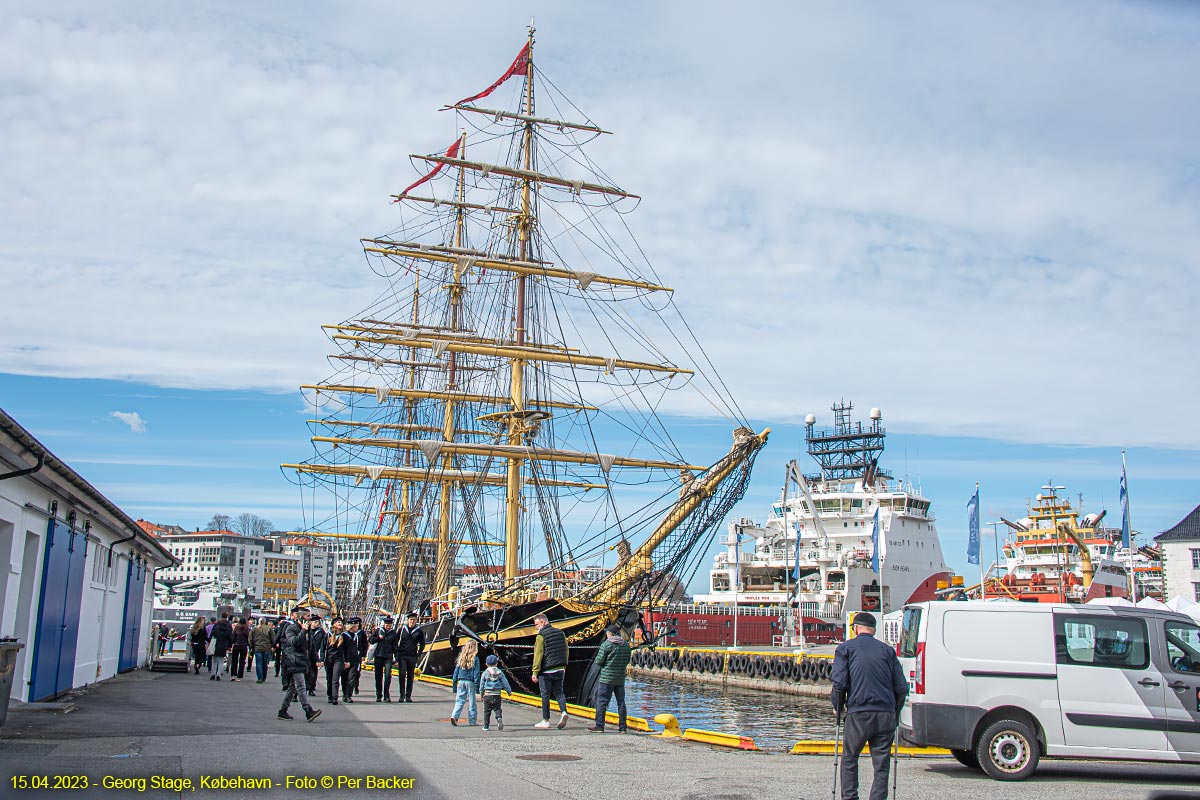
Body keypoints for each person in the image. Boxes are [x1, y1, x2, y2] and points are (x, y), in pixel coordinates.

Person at [830, 611, 909, 800]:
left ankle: (850, 798)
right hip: (885, 715)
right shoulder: (888, 651)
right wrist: (894, 711)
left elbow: (840, 683)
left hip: (859, 713)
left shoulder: (845, 648)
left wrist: (838, 707)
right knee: (881, 764)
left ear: (856, 628)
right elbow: (901, 687)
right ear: (874, 630)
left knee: (850, 758)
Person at [278, 612, 321, 723]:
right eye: (307, 617)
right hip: (294, 660)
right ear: (301, 619)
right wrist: (303, 631)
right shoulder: (291, 628)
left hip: (303, 661)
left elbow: (312, 647)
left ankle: (283, 710)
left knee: (293, 687)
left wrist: (316, 660)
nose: (310, 619)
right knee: (301, 686)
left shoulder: (309, 631)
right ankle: (308, 710)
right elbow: (294, 642)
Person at [588, 624, 631, 733]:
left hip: (606, 679)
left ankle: (600, 726)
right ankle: (623, 727)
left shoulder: (606, 645)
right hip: (620, 678)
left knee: (602, 702)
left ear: (610, 634)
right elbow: (627, 660)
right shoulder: (625, 645)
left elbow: (599, 661)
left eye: (607, 633)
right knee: (621, 703)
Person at [531, 613, 569, 729]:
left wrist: (535, 672)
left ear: (543, 622)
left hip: (546, 670)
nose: (536, 627)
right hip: (560, 668)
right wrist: (564, 666)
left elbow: (538, 654)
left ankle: (546, 720)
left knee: (545, 695)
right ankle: (564, 712)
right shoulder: (560, 632)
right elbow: (566, 650)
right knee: (559, 692)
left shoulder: (541, 635)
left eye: (537, 624)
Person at [395, 612, 425, 703]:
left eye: (414, 620)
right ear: (408, 620)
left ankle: (408, 695)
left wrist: (419, 653)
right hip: (402, 655)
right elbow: (396, 642)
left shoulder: (418, 631)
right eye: (411, 620)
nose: (412, 621)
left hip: (412, 656)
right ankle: (402, 695)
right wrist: (396, 655)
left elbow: (422, 643)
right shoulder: (402, 630)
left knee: (410, 676)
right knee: (402, 674)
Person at [449, 641, 480, 727]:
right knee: (472, 702)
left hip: (461, 681)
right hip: (470, 682)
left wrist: (454, 685)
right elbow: (476, 674)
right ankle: (472, 721)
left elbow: (455, 673)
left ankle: (454, 716)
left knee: (459, 701)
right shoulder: (475, 659)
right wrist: (478, 688)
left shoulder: (461, 658)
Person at [478, 654, 512, 732]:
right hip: (497, 694)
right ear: (497, 663)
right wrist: (509, 691)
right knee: (497, 708)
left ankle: (486, 726)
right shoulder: (500, 672)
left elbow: (482, 684)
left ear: (486, 664)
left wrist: (481, 693)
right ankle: (499, 717)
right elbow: (505, 682)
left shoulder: (485, 673)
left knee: (487, 711)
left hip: (487, 695)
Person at [369, 617, 399, 702]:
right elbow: (371, 640)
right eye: (386, 625)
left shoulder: (393, 633)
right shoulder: (378, 631)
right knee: (378, 676)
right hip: (378, 656)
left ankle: (386, 695)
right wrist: (378, 638)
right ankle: (379, 694)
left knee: (388, 676)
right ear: (384, 624)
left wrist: (397, 658)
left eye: (389, 625)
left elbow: (395, 646)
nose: (388, 627)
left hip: (388, 657)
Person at [324, 620, 349, 705]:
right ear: (334, 624)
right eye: (338, 622)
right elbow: (322, 648)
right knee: (329, 678)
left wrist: (347, 661)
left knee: (335, 678)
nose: (340, 624)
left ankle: (335, 697)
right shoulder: (328, 635)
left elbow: (346, 650)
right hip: (329, 658)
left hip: (339, 660)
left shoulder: (344, 636)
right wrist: (320, 660)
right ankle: (330, 695)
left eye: (341, 622)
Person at [305, 614, 327, 695]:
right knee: (306, 671)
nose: (317, 623)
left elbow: (323, 645)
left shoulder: (321, 632)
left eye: (318, 622)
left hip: (316, 654)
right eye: (315, 622)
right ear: (310, 622)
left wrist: (321, 658)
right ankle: (305, 686)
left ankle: (311, 688)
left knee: (314, 672)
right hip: (307, 653)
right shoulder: (306, 631)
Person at [347, 617, 368, 697]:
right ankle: (348, 691)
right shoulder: (347, 634)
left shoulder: (361, 633)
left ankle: (355, 686)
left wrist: (363, 655)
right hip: (349, 656)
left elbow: (364, 644)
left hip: (358, 655)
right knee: (349, 675)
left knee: (356, 673)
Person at [208, 614, 233, 681]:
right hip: (223, 645)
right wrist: (230, 646)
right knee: (221, 661)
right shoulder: (227, 629)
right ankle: (218, 674)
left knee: (214, 660)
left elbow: (211, 636)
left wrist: (210, 642)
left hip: (215, 644)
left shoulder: (216, 628)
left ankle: (213, 674)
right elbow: (230, 638)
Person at [250, 618, 274, 684]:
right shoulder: (269, 628)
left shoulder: (255, 629)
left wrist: (251, 646)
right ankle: (264, 677)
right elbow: (273, 638)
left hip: (258, 647)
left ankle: (259, 678)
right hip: (267, 647)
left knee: (259, 663)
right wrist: (272, 646)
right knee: (265, 663)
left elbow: (250, 639)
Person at [229, 617, 250, 682]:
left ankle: (233, 675)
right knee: (242, 661)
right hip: (244, 646)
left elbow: (233, 638)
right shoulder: (247, 629)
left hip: (236, 645)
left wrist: (231, 644)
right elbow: (249, 639)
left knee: (234, 661)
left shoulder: (236, 628)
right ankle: (239, 676)